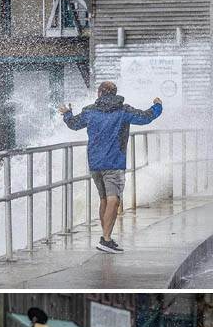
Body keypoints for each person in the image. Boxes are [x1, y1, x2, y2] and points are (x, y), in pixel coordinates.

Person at [58, 81, 162, 253]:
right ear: (114, 93)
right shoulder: (123, 111)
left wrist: (67, 113)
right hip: (114, 163)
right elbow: (146, 118)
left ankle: (106, 236)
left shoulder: (89, 111)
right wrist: (157, 106)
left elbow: (74, 125)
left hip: (95, 164)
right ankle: (105, 240)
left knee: (105, 200)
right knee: (114, 200)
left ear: (99, 93)